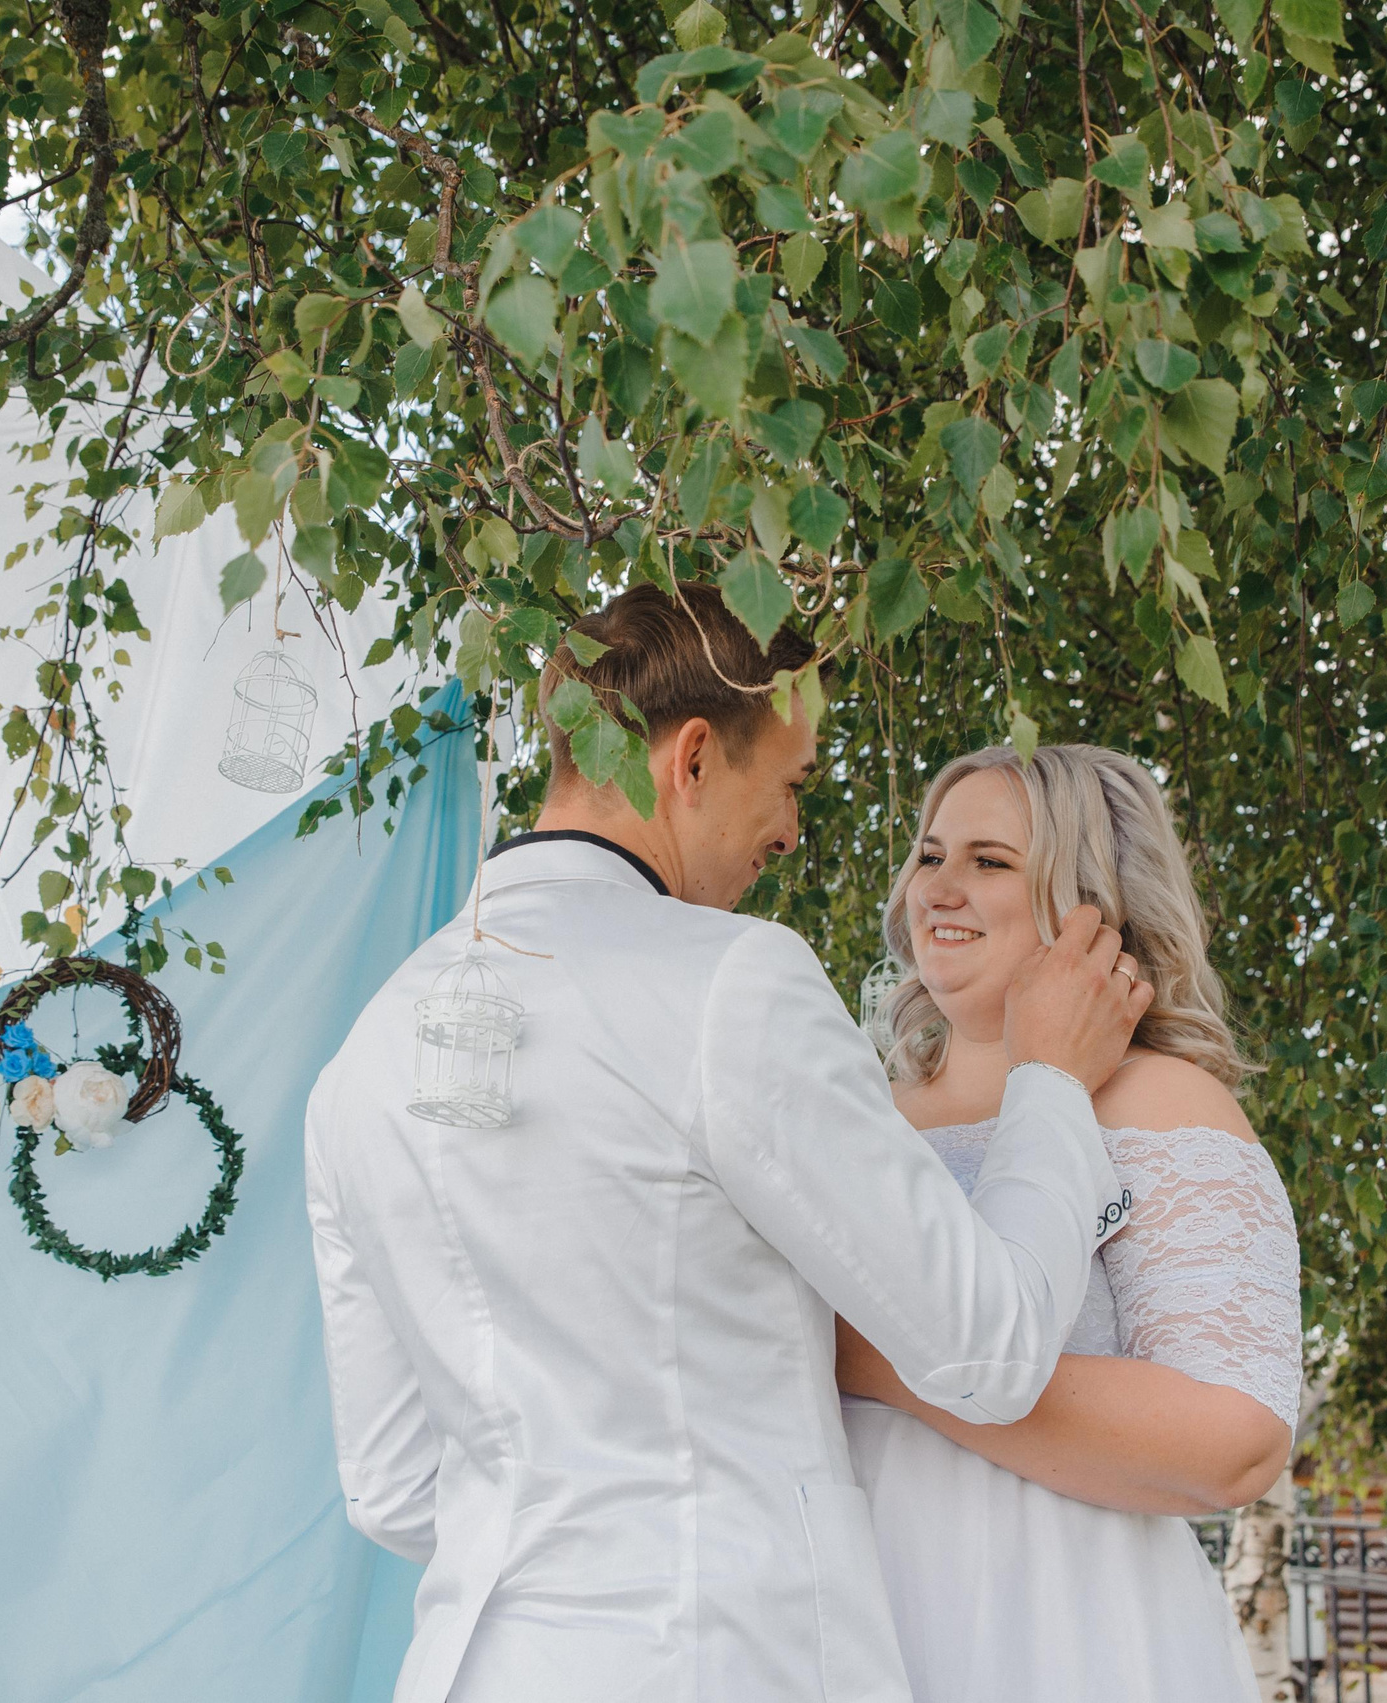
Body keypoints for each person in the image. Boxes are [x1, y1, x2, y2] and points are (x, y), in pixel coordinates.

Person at [303, 584, 1152, 1703]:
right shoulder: (730, 979)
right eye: (790, 782)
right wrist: (1048, 1076)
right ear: (692, 758)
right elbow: (987, 1348)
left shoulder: (360, 1056)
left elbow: (394, 1489)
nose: (792, 831)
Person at [836, 742, 1304, 1703]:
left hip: (1063, 1629)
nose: (939, 889)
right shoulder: (852, 1112)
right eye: (930, 855)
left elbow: (1237, 1438)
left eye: (991, 861)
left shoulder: (1158, 1101)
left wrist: (881, 1351)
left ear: (1088, 905)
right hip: (847, 1618)